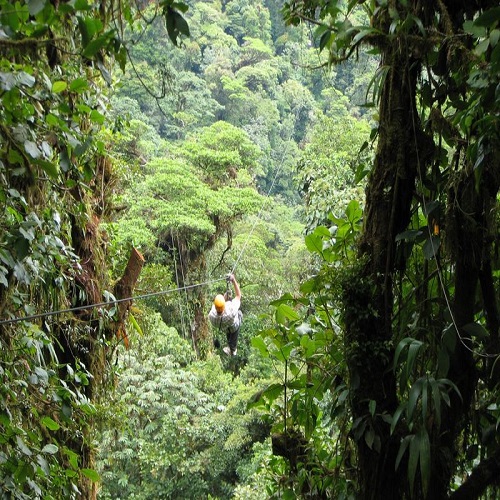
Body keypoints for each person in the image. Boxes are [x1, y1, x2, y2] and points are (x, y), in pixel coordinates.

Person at [208, 273, 242, 356]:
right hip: (233, 326)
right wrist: (233, 280)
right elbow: (238, 296)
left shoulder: (211, 315)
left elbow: (220, 304)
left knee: (228, 330)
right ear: (224, 305)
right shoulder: (231, 311)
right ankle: (232, 350)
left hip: (224, 326)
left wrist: (226, 295)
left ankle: (230, 347)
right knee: (240, 314)